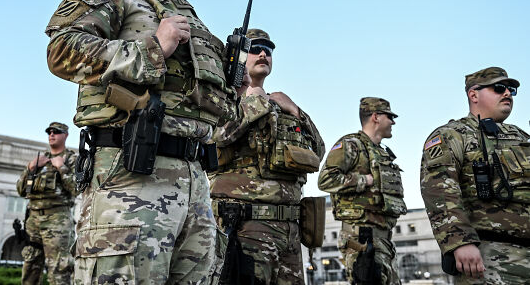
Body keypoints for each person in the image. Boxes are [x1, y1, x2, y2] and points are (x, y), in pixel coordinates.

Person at [45, 0, 239, 284]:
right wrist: (154, 47)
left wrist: (234, 87)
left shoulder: (187, 12)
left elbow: (211, 106)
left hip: (195, 181)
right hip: (130, 172)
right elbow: (62, 50)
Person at [210, 29, 325, 285]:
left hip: (289, 232)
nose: (263, 54)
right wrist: (254, 103)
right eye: (255, 48)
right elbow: (214, 138)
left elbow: (317, 152)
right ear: (238, 57)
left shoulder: (281, 106)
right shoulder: (222, 98)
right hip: (246, 229)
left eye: (268, 51)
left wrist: (296, 111)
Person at [420, 67, 530, 284]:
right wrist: (460, 242)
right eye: (499, 88)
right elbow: (439, 190)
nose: (507, 93)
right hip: (490, 258)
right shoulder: (452, 135)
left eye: (511, 90)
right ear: (473, 95)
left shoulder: (521, 136)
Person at [318, 97, 406, 285]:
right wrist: (362, 180)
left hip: (383, 239)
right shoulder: (351, 145)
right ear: (375, 117)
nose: (393, 122)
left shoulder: (381, 152)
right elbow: (325, 180)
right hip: (362, 238)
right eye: (389, 116)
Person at [16, 122, 76, 285]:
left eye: (56, 132)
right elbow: (21, 190)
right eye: (49, 132)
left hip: (57, 219)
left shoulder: (71, 159)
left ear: (65, 135)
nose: (51, 134)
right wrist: (30, 168)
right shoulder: (39, 160)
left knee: (59, 270)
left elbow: (76, 188)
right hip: (34, 220)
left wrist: (62, 168)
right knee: (30, 268)